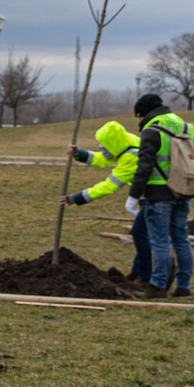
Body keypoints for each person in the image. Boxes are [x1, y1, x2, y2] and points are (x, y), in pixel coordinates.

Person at [60, 121, 149, 282]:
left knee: (140, 233)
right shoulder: (127, 141)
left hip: (151, 198)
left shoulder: (131, 156)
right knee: (141, 234)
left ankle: (145, 275)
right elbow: (103, 159)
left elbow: (108, 186)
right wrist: (79, 153)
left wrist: (77, 198)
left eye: (105, 145)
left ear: (114, 144)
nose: (102, 148)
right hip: (148, 197)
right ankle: (138, 272)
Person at [129, 92, 194, 299]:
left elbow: (144, 166)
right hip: (183, 191)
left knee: (159, 241)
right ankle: (183, 287)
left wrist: (133, 195)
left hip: (158, 195)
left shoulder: (152, 130)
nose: (139, 121)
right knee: (181, 239)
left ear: (144, 113)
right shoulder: (186, 127)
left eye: (138, 116)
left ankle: (157, 286)